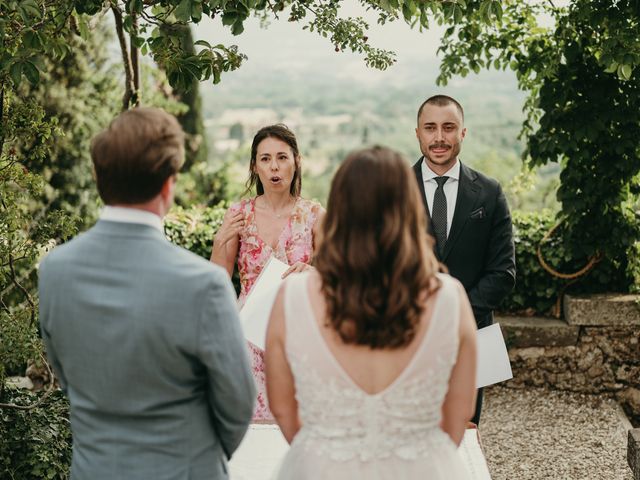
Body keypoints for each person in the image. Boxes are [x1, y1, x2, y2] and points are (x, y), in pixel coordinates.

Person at [39, 107, 256, 480]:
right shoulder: (203, 283)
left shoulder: (54, 271)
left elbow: (67, 374)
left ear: (98, 177)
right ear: (168, 185)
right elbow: (237, 404)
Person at [265, 146, 477, 479]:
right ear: (409, 209)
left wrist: (327, 453)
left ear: (339, 211)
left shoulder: (292, 297)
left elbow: (283, 409)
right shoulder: (450, 298)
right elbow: (458, 417)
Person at [413, 94, 516, 424]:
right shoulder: (394, 191)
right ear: (417, 133)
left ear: (463, 133)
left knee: (464, 438)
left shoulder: (489, 191)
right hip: (410, 337)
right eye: (430, 128)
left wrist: (454, 317)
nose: (439, 137)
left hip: (471, 336)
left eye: (448, 128)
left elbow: (503, 272)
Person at [210, 124, 325, 422]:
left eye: (282, 157)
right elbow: (216, 284)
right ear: (254, 166)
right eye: (265, 159)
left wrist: (313, 273)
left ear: (296, 161)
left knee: (295, 428)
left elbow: (336, 282)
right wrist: (219, 241)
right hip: (246, 337)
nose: (274, 167)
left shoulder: (314, 216)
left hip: (298, 337)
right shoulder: (239, 215)